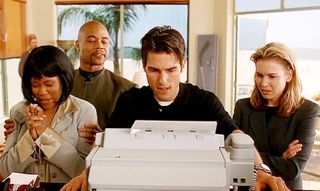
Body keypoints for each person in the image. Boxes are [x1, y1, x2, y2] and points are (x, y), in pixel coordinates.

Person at [61, 26, 289, 191]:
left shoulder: (204, 101)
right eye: (154, 70)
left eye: (171, 70)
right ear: (144, 67)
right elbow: (107, 145)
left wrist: (261, 170)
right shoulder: (129, 101)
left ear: (183, 65)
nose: (163, 80)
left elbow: (236, 135)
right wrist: (86, 174)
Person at [3, 20, 136, 145]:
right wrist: (19, 127)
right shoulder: (58, 83)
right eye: (92, 41)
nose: (100, 46)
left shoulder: (127, 89)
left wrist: (103, 137)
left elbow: (132, 137)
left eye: (104, 42)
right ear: (77, 44)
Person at [0, 45, 98, 183]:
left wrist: (44, 134)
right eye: (35, 85)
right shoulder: (18, 112)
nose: (42, 92)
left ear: (63, 81)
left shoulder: (83, 111)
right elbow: (5, 171)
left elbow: (84, 170)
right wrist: (30, 138)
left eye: (49, 84)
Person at [233, 42, 320, 190]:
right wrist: (281, 158)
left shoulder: (307, 111)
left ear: (289, 75)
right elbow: (232, 159)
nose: (263, 83)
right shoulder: (243, 107)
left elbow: (292, 169)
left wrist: (251, 156)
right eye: (259, 75)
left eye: (272, 76)